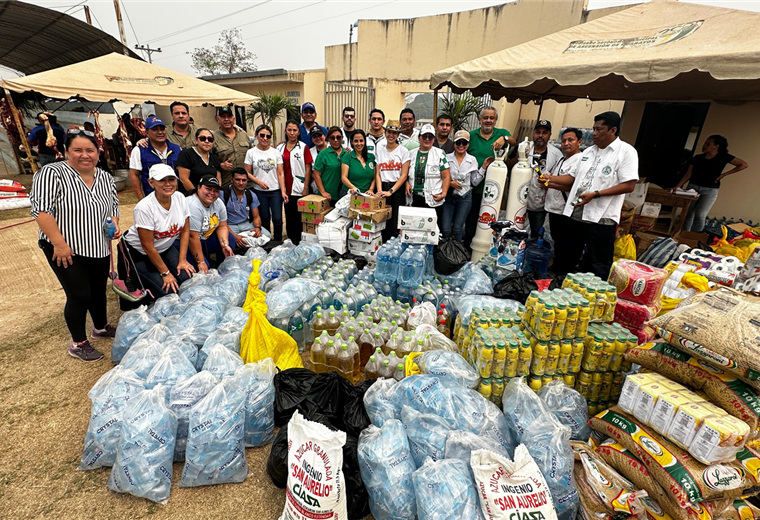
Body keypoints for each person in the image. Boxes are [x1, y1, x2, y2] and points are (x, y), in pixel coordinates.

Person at [30, 130, 120, 362]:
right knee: (80, 294)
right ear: (66, 152)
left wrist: (114, 225)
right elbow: (42, 212)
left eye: (90, 150)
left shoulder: (105, 178)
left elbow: (113, 208)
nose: (85, 155)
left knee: (98, 291)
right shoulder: (52, 173)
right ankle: (78, 343)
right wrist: (59, 244)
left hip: (98, 245)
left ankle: (100, 326)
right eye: (78, 150)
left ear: (98, 152)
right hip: (65, 247)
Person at [548, 112, 639, 278]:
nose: (594, 133)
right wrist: (551, 179)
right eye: (593, 128)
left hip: (601, 217)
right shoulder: (588, 152)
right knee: (566, 256)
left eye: (599, 129)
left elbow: (629, 185)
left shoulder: (626, 152)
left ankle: (592, 296)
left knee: (598, 262)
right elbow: (573, 179)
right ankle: (560, 288)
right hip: (576, 212)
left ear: (613, 130)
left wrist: (596, 194)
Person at [120, 164, 195, 301]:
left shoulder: (180, 198)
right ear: (151, 182)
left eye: (171, 179)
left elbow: (185, 231)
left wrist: (182, 260)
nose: (168, 184)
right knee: (170, 291)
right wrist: (165, 273)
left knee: (188, 280)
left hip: (165, 247)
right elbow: (148, 247)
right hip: (139, 253)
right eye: (162, 180)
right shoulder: (144, 208)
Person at [464, 106, 517, 248]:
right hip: (474, 188)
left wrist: (504, 138)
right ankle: (469, 248)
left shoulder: (502, 133)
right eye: (485, 117)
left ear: (496, 120)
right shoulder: (471, 135)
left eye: (491, 118)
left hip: (495, 190)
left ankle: (488, 248)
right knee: (472, 220)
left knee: (490, 221)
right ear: (479, 119)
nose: (488, 120)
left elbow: (514, 142)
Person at [674, 135, 748, 232]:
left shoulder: (724, 157)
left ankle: (694, 237)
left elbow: (743, 165)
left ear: (716, 146)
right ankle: (684, 235)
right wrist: (677, 187)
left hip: (710, 190)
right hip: (692, 188)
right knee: (688, 213)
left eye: (708, 144)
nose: (704, 145)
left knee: (700, 215)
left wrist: (725, 174)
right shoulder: (697, 158)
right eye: (705, 143)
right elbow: (688, 174)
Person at [541, 128, 584, 276]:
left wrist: (549, 180)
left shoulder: (580, 160)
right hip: (554, 208)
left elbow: (571, 182)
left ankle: (564, 273)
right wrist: (548, 183)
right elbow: (556, 178)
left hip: (566, 211)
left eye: (570, 140)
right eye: (564, 140)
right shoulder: (562, 159)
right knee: (558, 241)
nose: (566, 143)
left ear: (579, 142)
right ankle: (557, 270)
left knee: (567, 245)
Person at [513, 120, 563, 238]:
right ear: (533, 133)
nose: (540, 135)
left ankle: (531, 252)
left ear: (549, 135)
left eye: (544, 132)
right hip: (519, 197)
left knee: (536, 231)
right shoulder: (523, 147)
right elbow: (511, 165)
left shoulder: (556, 154)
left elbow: (558, 178)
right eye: (538, 132)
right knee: (515, 228)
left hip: (539, 201)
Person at [244, 124, 287, 241]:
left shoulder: (276, 152)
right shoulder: (251, 152)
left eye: (268, 136)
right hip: (259, 191)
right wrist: (259, 182)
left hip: (275, 191)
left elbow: (280, 173)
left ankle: (278, 242)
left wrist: (283, 191)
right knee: (264, 219)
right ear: (256, 136)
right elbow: (246, 173)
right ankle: (266, 241)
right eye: (262, 135)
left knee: (278, 219)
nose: (265, 138)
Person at [185, 174, 235, 271]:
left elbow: (222, 227)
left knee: (229, 238)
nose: (212, 193)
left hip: (205, 238)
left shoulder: (218, 202)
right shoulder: (193, 205)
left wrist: (224, 245)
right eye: (208, 189)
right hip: (187, 242)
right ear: (198, 187)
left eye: (216, 191)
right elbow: (192, 237)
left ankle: (221, 268)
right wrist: (201, 262)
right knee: (202, 269)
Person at [277, 120, 313, 245]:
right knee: (289, 216)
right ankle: (291, 242)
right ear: (286, 131)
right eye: (289, 130)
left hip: (299, 187)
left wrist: (306, 187)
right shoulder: (280, 148)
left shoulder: (303, 147)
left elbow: (308, 169)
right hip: (284, 188)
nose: (292, 133)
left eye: (294, 130)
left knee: (299, 218)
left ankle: (300, 243)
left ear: (298, 132)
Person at [129, 115, 181, 201]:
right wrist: (141, 198)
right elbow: (134, 174)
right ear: (146, 132)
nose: (160, 132)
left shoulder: (177, 149)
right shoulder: (139, 150)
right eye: (154, 129)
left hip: (175, 197)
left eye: (162, 129)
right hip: (152, 199)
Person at [374, 120, 410, 241]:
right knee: (382, 221)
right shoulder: (380, 151)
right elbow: (378, 173)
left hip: (396, 189)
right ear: (385, 132)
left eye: (394, 133)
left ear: (398, 135)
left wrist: (391, 191)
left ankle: (393, 246)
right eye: (389, 132)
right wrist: (379, 190)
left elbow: (404, 175)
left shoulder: (403, 151)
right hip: (383, 186)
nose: (391, 135)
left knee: (395, 222)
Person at [442, 130, 480, 243]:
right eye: (458, 143)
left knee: (458, 228)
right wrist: (450, 183)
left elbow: (475, 182)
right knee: (445, 228)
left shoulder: (472, 160)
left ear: (468, 144)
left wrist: (483, 168)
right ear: (454, 143)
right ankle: (445, 253)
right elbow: (440, 176)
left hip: (464, 197)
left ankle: (457, 254)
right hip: (448, 195)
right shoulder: (446, 157)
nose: (461, 146)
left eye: (464, 143)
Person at [408, 124, 450, 222]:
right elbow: (404, 174)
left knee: (432, 229)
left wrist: (443, 194)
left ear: (434, 139)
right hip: (414, 197)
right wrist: (406, 184)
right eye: (424, 136)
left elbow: (446, 177)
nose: (427, 139)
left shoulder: (440, 154)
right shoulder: (410, 154)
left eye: (430, 137)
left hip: (433, 198)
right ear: (419, 138)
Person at [220, 167, 265, 248]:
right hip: (229, 225)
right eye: (237, 179)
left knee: (266, 235)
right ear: (231, 180)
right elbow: (220, 221)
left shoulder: (251, 195)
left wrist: (258, 228)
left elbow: (256, 216)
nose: (241, 183)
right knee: (228, 240)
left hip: (246, 224)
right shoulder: (223, 194)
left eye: (244, 180)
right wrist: (234, 236)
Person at [213, 106, 252, 187]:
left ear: (233, 118)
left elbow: (253, 155)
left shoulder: (243, 135)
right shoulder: (213, 138)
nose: (226, 119)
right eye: (223, 117)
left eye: (229, 116)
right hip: (226, 184)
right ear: (218, 119)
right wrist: (220, 166)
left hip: (247, 184)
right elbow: (208, 162)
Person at [176, 128, 223, 194]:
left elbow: (218, 180)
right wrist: (197, 196)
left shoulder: (214, 158)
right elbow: (184, 179)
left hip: (211, 195)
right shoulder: (186, 154)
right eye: (203, 138)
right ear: (196, 140)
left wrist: (215, 193)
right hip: (191, 196)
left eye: (210, 139)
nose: (207, 141)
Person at [313, 126, 347, 205]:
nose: (336, 140)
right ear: (328, 139)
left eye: (338, 137)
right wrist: (323, 192)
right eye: (332, 138)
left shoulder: (347, 154)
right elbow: (316, 174)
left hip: (343, 196)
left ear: (342, 138)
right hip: (327, 197)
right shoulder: (323, 154)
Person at [341, 129, 376, 195]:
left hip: (367, 194)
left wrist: (371, 189)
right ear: (352, 142)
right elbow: (344, 178)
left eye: (361, 140)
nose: (359, 143)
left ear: (365, 141)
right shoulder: (348, 156)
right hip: (350, 193)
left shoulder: (371, 157)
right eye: (356, 141)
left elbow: (374, 178)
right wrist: (354, 189)